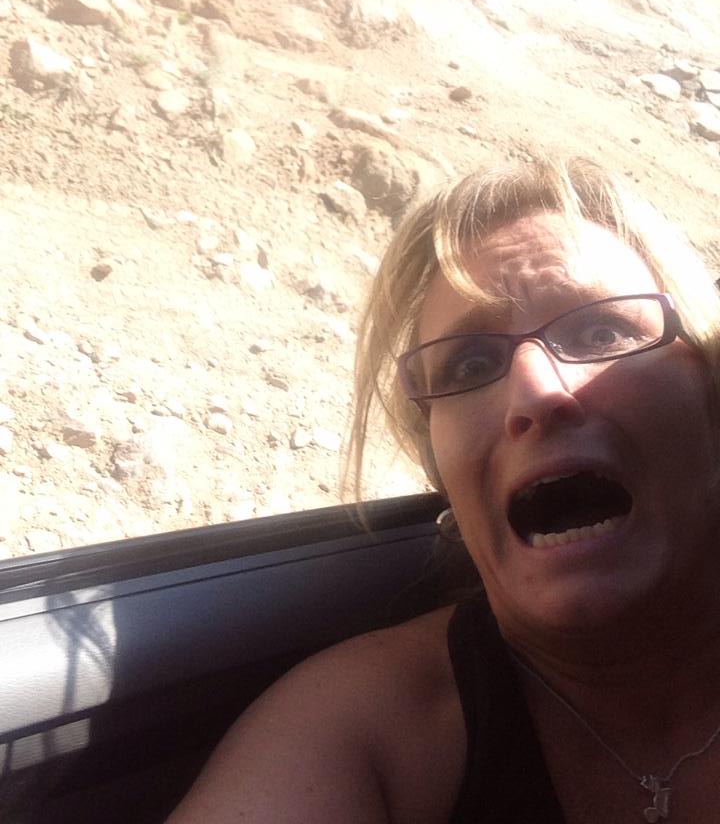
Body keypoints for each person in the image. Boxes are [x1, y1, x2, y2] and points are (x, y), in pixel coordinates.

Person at [167, 154, 720, 823]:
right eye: (471, 363)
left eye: (602, 330)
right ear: (441, 472)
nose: (535, 393)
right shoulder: (359, 731)